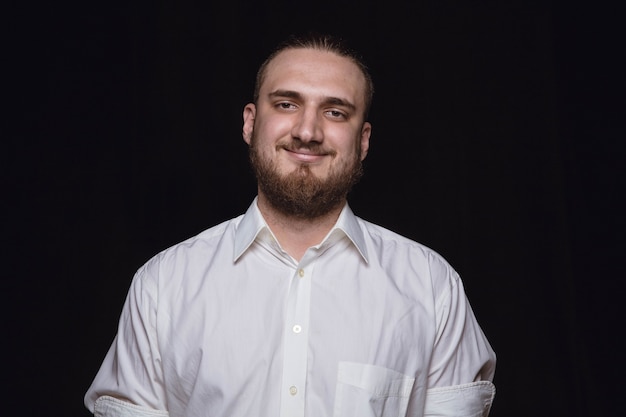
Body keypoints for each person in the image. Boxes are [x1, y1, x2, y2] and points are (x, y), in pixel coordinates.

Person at [84, 33, 496, 417]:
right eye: (286, 104)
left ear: (364, 140)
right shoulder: (163, 286)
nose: (307, 131)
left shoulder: (431, 287)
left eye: (335, 112)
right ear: (249, 123)